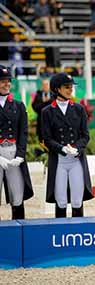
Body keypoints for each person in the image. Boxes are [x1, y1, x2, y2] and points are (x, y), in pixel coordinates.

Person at [41, 73, 94, 218]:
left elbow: (85, 135)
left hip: (76, 159)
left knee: (77, 200)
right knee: (61, 199)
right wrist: (61, 148)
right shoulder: (47, 112)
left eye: (71, 86)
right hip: (59, 160)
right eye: (67, 87)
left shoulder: (79, 109)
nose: (70, 89)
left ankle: (79, 230)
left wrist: (77, 147)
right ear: (57, 89)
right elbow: (47, 138)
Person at [0, 65, 33, 220]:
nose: (6, 84)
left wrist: (20, 154)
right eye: (2, 81)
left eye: (8, 81)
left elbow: (23, 132)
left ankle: (19, 227)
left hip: (13, 152)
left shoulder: (18, 106)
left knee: (17, 194)